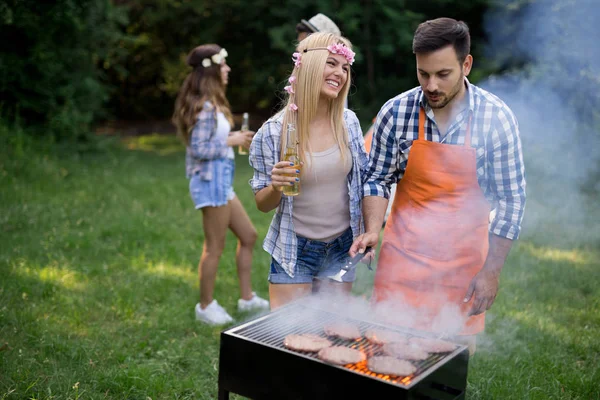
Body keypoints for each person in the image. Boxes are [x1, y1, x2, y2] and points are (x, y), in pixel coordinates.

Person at [350, 18, 526, 354]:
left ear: (466, 64)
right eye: (423, 73)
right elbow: (377, 178)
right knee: (384, 354)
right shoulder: (396, 112)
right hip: (402, 259)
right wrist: (373, 228)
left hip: (464, 266)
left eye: (442, 74)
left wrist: (491, 272)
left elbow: (512, 201)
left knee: (448, 368)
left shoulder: (497, 119)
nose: (431, 85)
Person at [249, 33, 369, 309]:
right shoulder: (274, 132)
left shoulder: (348, 122)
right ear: (310, 66)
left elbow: (361, 184)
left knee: (333, 338)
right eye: (331, 63)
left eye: (345, 67)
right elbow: (263, 204)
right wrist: (276, 186)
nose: (339, 73)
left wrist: (365, 233)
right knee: (289, 342)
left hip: (342, 247)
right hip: (295, 250)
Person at [172, 44, 269, 325]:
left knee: (248, 236)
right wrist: (232, 140)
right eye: (224, 65)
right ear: (213, 70)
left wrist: (233, 137)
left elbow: (209, 141)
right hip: (210, 184)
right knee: (214, 247)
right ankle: (205, 306)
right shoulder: (203, 107)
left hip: (221, 184)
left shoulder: (211, 103)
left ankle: (247, 298)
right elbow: (198, 148)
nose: (228, 69)